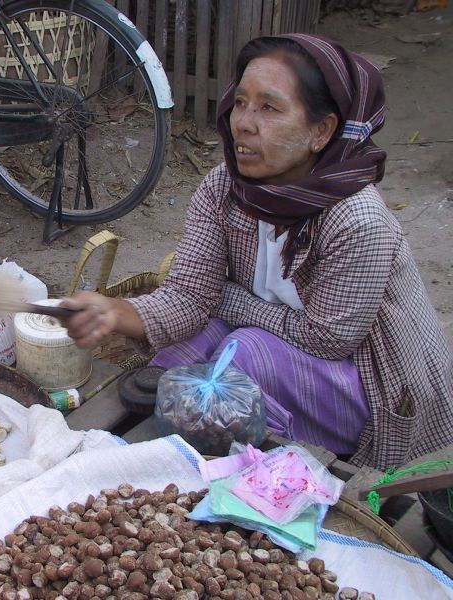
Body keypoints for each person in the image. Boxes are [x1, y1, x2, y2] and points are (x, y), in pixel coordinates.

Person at [61, 33, 453, 470]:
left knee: (243, 348)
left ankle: (221, 458)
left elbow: (326, 339)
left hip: (369, 387)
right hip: (280, 340)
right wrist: (112, 311)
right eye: (241, 102)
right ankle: (123, 453)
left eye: (269, 107)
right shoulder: (224, 187)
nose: (243, 123)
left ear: (321, 131)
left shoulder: (357, 219)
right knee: (190, 347)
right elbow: (188, 298)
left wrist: (226, 297)